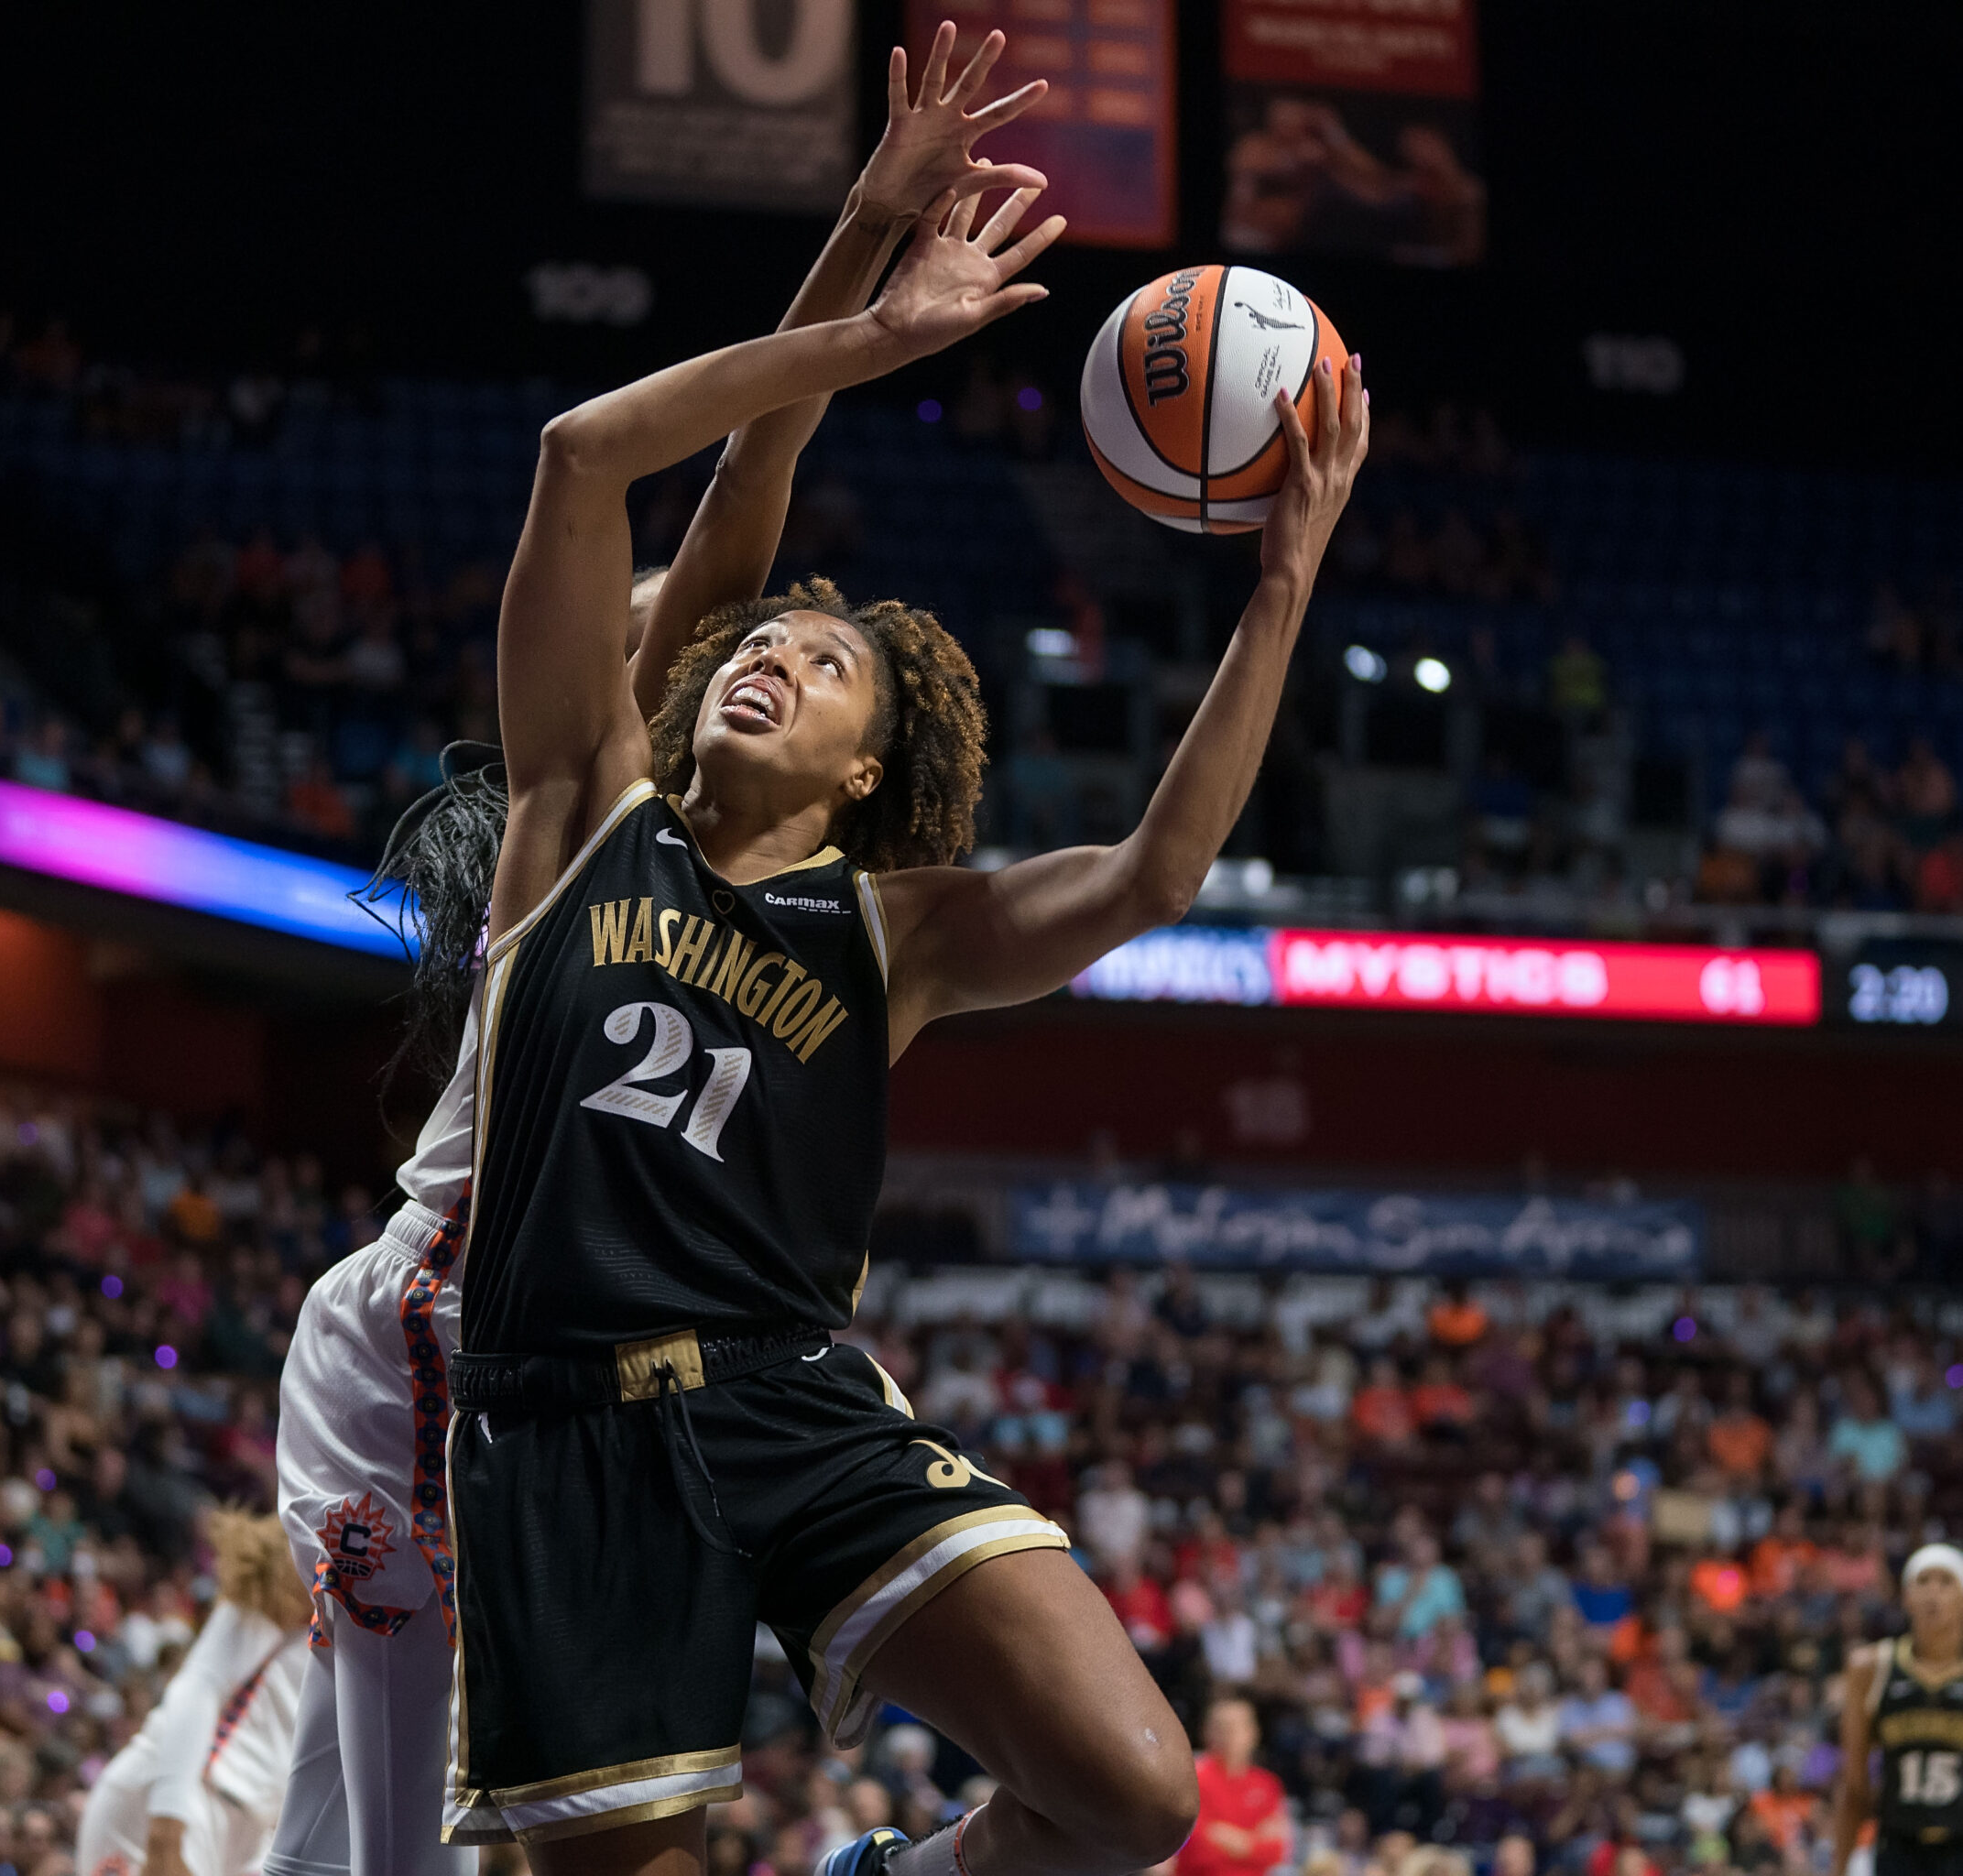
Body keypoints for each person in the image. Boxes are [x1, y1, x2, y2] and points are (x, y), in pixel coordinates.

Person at [424, 8, 1365, 1863]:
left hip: (788, 1397)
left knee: (1130, 1787)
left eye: (824, 658)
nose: (772, 645)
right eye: (762, 638)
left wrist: (1279, 581)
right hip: (559, 1432)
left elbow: (1153, 873)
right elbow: (581, 459)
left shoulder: (895, 933)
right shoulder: (576, 809)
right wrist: (866, 305)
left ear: (873, 767)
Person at [263, 28, 1054, 1876]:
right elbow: (723, 483)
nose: (707, 617)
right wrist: (863, 276)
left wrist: (867, 223)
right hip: (451, 1331)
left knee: (364, 1828)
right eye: (669, 617)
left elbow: (749, 477)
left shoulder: (677, 823)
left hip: (497, 1331)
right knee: (429, 1838)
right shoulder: (591, 789)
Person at [72, 1512, 311, 1876]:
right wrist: (166, 1834)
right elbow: (199, 1688)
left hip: (251, 1828)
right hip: (185, 1797)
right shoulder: (293, 1573)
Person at [1834, 1543, 1963, 1876]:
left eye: (1946, 1581)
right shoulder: (1871, 1668)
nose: (1933, 1591)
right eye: (1923, 1580)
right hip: (1898, 1846)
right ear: (1906, 1596)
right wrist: (1838, 1867)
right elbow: (1855, 1784)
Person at [1175, 1699, 1292, 1876]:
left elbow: (1278, 1849)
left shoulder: (1267, 1784)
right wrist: (1254, 1842)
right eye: (1221, 1727)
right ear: (1207, 1732)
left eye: (1237, 1727)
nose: (1230, 1735)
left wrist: (1233, 1840)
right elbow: (1194, 1847)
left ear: (1253, 1733)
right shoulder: (1192, 1779)